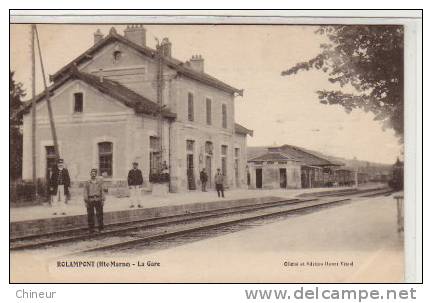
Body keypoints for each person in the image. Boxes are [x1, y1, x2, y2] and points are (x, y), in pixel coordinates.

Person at [83, 168, 105, 233]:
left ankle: (101, 228)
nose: (93, 175)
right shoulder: (87, 182)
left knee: (100, 214)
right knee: (90, 215)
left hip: (98, 199)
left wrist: (103, 200)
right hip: (90, 200)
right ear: (90, 174)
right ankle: (91, 229)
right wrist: (85, 201)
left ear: (96, 174)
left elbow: (102, 191)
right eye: (92, 173)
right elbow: (85, 192)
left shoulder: (99, 182)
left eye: (94, 174)